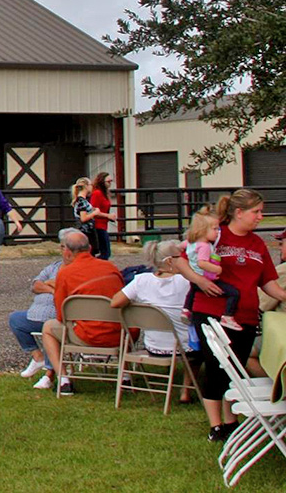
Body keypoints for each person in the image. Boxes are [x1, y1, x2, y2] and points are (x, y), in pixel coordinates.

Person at [175, 189, 286, 442]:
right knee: (216, 365)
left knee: (235, 367)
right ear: (239, 212)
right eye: (256, 211)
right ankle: (217, 425)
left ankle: (231, 420)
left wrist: (283, 295)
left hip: (245, 316)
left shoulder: (257, 243)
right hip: (212, 311)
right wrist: (199, 281)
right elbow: (179, 261)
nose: (260, 217)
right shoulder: (215, 233)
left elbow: (268, 283)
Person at [38, 228, 124, 394]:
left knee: (48, 327)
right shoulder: (111, 268)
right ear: (90, 248)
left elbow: (62, 315)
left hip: (87, 335)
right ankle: (125, 373)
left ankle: (63, 380)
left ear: (68, 252)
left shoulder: (65, 273)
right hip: (119, 334)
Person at [109, 239, 195, 401]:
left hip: (153, 346)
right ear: (170, 260)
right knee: (199, 341)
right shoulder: (187, 282)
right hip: (183, 346)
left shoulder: (141, 280)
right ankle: (185, 390)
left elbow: (115, 302)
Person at [8, 237, 66, 386]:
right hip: (35, 314)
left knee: (50, 330)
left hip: (57, 317)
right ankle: (37, 357)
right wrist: (51, 289)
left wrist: (52, 285)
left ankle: (49, 373)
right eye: (62, 247)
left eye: (65, 247)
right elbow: (35, 285)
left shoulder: (75, 269)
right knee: (15, 319)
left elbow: (64, 286)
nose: (63, 251)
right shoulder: (54, 266)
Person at [181, 207, 242, 330]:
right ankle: (228, 316)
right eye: (214, 229)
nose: (217, 232)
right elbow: (202, 263)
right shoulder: (205, 246)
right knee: (233, 293)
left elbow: (179, 247)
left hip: (195, 278)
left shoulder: (190, 243)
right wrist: (217, 269)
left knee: (192, 290)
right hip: (206, 277)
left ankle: (186, 309)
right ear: (202, 230)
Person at [88, 171, 115, 260]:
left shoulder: (104, 194)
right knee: (105, 252)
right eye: (108, 182)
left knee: (103, 250)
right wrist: (107, 216)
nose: (110, 184)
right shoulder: (97, 193)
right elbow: (94, 209)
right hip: (98, 225)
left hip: (103, 225)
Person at [69, 176, 98, 256]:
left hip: (88, 230)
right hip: (85, 231)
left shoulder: (83, 200)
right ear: (86, 186)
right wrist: (94, 213)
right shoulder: (81, 201)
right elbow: (83, 218)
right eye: (90, 185)